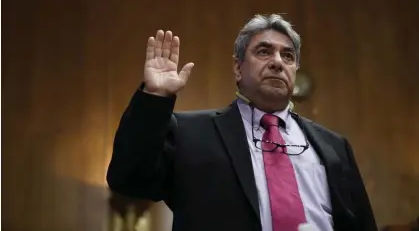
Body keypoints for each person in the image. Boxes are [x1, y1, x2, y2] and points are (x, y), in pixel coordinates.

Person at [106, 14, 378, 231]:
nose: (277, 62)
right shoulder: (190, 134)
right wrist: (155, 98)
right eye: (263, 52)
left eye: (288, 56)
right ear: (238, 68)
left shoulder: (334, 146)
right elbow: (128, 180)